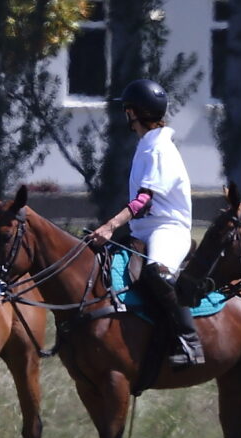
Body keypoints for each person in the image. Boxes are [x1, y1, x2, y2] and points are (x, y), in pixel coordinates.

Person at [84, 78, 202, 375]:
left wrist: (110, 226)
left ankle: (189, 341)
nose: (125, 115)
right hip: (142, 231)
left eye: (127, 110)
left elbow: (143, 201)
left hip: (168, 229)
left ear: (133, 113)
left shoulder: (159, 148)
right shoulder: (147, 144)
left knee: (156, 272)